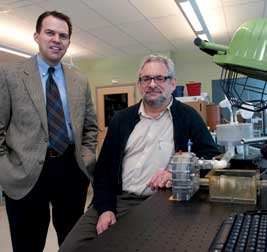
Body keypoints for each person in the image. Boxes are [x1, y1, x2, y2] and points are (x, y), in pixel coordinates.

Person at [59, 54, 220, 252]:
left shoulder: (188, 117)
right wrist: (106, 209)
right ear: (139, 84)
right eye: (146, 79)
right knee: (70, 248)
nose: (152, 84)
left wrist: (178, 173)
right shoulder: (121, 119)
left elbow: (212, 158)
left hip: (161, 204)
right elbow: (104, 171)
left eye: (160, 78)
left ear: (172, 83)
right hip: (117, 200)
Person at [0, 11, 98, 252]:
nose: (57, 39)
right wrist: (3, 168)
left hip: (70, 169)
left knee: (73, 243)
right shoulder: (10, 75)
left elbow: (90, 127)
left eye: (63, 35)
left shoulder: (79, 80)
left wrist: (87, 156)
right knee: (27, 244)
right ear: (37, 36)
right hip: (24, 172)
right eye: (50, 33)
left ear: (68, 41)